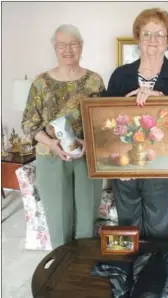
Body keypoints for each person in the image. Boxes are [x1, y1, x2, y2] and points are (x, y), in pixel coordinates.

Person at [104, 8, 168, 241]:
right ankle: (128, 272)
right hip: (125, 165)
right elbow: (106, 124)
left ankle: (154, 273)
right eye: (146, 33)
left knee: (157, 225)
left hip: (162, 166)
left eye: (160, 34)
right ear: (138, 38)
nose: (153, 40)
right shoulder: (120, 75)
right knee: (127, 223)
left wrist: (161, 101)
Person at [22, 24, 105, 249]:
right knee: (58, 219)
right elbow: (29, 124)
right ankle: (61, 270)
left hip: (87, 157)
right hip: (50, 157)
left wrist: (89, 141)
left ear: (81, 47)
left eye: (73, 44)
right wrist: (52, 143)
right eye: (62, 45)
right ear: (54, 48)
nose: (68, 49)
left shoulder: (94, 81)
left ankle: (82, 269)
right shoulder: (41, 83)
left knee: (87, 217)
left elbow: (103, 122)